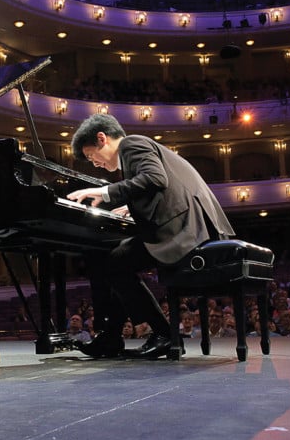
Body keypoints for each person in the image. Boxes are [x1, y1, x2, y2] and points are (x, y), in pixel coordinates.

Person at [66, 114, 235, 360]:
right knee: (114, 260)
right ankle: (111, 337)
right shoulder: (137, 149)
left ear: (102, 138)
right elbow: (160, 187)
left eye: (92, 156)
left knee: (113, 263)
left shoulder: (131, 144)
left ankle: (164, 334)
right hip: (190, 226)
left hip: (185, 230)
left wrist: (106, 192)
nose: (96, 164)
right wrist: (130, 206)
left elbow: (155, 178)